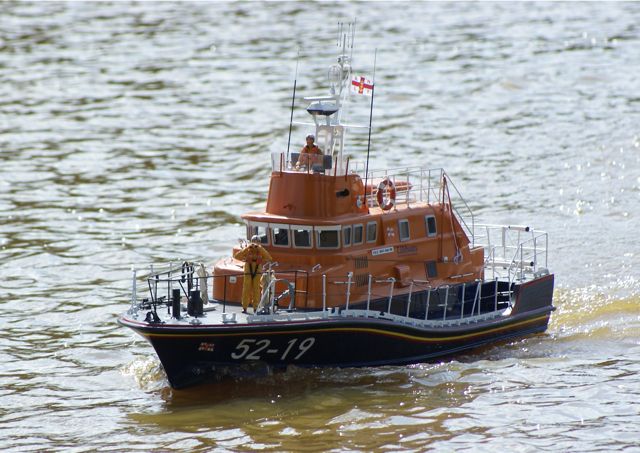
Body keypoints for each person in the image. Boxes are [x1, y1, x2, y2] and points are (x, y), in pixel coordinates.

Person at [233, 235, 273, 313]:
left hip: (257, 272)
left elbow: (269, 258)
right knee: (246, 289)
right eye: (254, 242)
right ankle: (244, 307)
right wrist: (247, 248)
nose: (255, 244)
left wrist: (260, 248)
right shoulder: (248, 250)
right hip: (248, 272)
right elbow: (237, 256)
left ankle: (255, 307)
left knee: (256, 290)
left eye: (257, 242)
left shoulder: (261, 250)